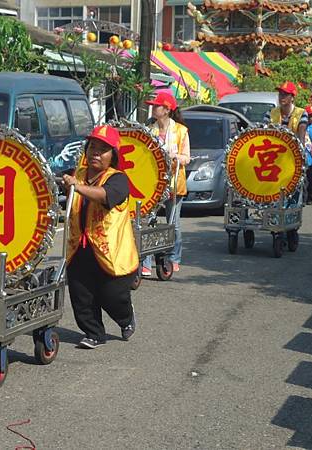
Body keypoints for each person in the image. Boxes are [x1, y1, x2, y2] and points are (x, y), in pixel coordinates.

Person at [62, 125, 138, 349]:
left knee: (112, 297)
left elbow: (104, 196)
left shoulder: (118, 180)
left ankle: (126, 317)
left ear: (112, 155)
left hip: (111, 252)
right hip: (80, 247)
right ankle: (93, 332)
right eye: (92, 146)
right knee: (81, 294)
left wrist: (76, 187)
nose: (95, 152)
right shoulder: (78, 174)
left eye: (103, 149)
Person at [141, 92, 190, 275]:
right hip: (152, 184)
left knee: (173, 224)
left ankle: (173, 258)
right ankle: (145, 261)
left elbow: (187, 157)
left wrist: (173, 156)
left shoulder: (181, 131)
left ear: (167, 110)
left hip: (174, 185)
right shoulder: (148, 129)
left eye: (157, 106)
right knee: (147, 223)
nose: (153, 109)